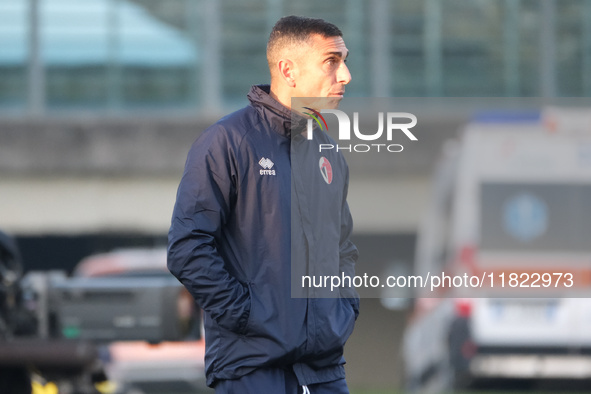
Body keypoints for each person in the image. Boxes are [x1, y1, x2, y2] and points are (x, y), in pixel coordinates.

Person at [167, 15, 359, 394]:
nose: (346, 75)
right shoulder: (227, 142)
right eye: (332, 61)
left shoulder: (328, 152)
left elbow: (342, 247)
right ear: (288, 70)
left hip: (324, 371)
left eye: (344, 60)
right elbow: (187, 247)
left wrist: (343, 311)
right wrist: (248, 314)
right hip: (252, 370)